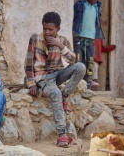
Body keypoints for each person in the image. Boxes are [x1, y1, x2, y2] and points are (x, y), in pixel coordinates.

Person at [25, 12, 86, 147]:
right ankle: (62, 134)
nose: (47, 32)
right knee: (55, 93)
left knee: (81, 67)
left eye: (50, 29)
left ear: (58, 29)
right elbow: (28, 63)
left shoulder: (62, 41)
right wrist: (31, 84)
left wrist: (61, 46)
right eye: (44, 28)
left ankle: (64, 96)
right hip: (43, 77)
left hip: (57, 74)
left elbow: (74, 60)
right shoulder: (35, 38)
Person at [73, 0, 105, 89]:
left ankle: (88, 84)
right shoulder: (80, 4)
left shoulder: (98, 6)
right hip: (79, 37)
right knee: (78, 61)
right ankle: (76, 83)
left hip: (91, 38)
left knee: (90, 62)